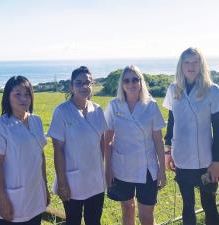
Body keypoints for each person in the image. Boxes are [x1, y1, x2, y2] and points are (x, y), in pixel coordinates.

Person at [163, 47, 219, 225]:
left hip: (206, 161)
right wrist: (167, 151)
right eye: (187, 62)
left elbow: (218, 128)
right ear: (181, 65)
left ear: (201, 64)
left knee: (209, 204)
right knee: (187, 205)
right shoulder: (173, 90)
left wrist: (217, 162)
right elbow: (171, 123)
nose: (191, 66)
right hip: (182, 159)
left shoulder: (213, 91)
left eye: (195, 61)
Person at [105, 65, 166, 225]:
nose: (131, 84)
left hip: (147, 168)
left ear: (141, 82)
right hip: (121, 167)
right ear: (122, 84)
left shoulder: (151, 105)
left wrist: (162, 170)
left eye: (135, 79)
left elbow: (158, 141)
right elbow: (107, 140)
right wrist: (108, 168)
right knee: (127, 209)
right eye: (126, 80)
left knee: (146, 215)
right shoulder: (114, 105)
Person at [47, 66, 107, 225]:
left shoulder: (97, 110)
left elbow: (102, 141)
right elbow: (58, 149)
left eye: (87, 82)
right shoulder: (62, 112)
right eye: (79, 83)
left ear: (92, 84)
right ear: (71, 86)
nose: (84, 86)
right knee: (73, 221)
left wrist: (102, 168)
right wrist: (62, 182)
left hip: (95, 179)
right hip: (72, 181)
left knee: (94, 221)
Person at [0, 76, 50, 225]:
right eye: (17, 94)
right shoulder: (0, 126)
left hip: (35, 194)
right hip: (13, 198)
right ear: (8, 96)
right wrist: (3, 199)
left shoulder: (36, 121)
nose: (24, 98)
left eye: (27, 94)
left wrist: (45, 188)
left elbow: (40, 156)